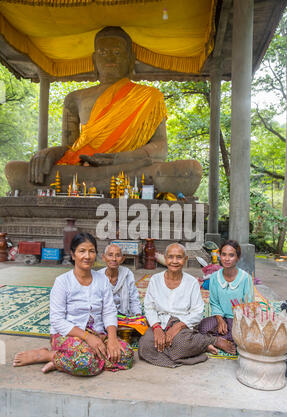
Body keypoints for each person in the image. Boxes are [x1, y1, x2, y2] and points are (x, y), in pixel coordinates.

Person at [5, 27, 202, 196]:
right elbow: (70, 149)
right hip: (83, 168)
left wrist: (121, 158)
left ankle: (86, 188)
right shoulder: (75, 98)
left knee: (190, 171)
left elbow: (161, 148)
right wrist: (50, 153)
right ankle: (100, 186)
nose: (109, 57)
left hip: (129, 166)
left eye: (116, 52)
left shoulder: (150, 97)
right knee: (16, 170)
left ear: (131, 59)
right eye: (102, 51)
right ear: (94, 59)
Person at [13, 232, 134, 376]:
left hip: (97, 334)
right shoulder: (62, 282)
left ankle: (63, 361)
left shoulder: (102, 280)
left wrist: (112, 339)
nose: (87, 256)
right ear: (73, 254)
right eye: (82, 251)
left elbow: (109, 311)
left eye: (91, 251)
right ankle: (47, 355)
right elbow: (57, 321)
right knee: (86, 362)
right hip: (68, 334)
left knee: (125, 355)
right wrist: (88, 338)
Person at [138, 243, 236, 368]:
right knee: (145, 346)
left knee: (181, 344)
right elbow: (149, 307)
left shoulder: (192, 282)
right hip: (160, 322)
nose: (174, 261)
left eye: (179, 257)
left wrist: (178, 326)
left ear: (185, 260)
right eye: (170, 257)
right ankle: (198, 348)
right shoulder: (155, 280)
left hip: (183, 324)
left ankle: (211, 340)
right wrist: (156, 328)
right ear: (165, 259)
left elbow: (197, 312)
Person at [198, 240, 254, 349]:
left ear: (238, 257)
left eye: (231, 255)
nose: (227, 259)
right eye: (224, 254)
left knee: (243, 335)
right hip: (221, 318)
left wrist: (237, 321)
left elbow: (248, 304)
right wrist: (220, 320)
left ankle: (218, 341)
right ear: (220, 256)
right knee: (202, 327)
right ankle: (221, 340)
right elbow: (214, 302)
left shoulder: (245, 278)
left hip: (239, 319)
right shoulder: (214, 277)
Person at [99, 243, 142, 317]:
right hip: (103, 316)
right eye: (110, 255)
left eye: (118, 255)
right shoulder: (98, 277)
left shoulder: (127, 274)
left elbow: (134, 299)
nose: (114, 259)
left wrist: (138, 317)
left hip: (124, 316)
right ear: (103, 257)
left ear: (122, 259)